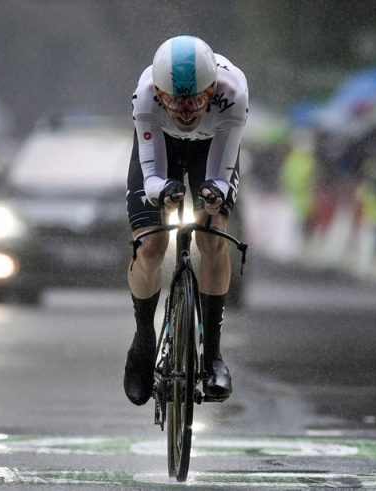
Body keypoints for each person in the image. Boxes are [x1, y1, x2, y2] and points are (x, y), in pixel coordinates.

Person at [124, 35, 248, 406]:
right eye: (175, 101)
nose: (186, 110)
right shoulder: (145, 94)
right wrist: (161, 189)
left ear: (212, 90)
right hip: (162, 147)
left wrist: (216, 192)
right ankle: (143, 339)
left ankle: (212, 355)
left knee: (212, 236)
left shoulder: (234, 93)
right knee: (150, 244)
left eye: (196, 99)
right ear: (159, 94)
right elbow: (151, 176)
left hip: (213, 148)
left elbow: (222, 171)